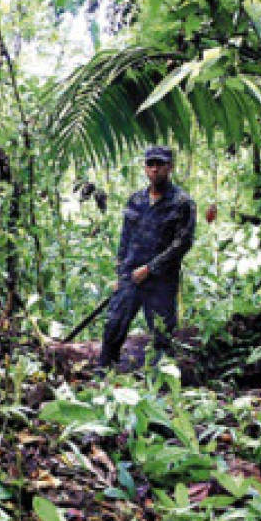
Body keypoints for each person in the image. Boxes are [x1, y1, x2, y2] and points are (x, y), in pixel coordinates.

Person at [97, 145, 197, 371]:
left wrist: (151, 268)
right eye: (150, 165)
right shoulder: (136, 200)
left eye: (160, 165)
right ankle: (102, 374)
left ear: (169, 168)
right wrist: (120, 272)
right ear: (145, 168)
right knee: (114, 324)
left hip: (161, 280)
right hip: (131, 275)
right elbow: (125, 238)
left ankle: (160, 385)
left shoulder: (182, 203)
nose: (154, 170)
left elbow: (182, 243)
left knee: (161, 334)